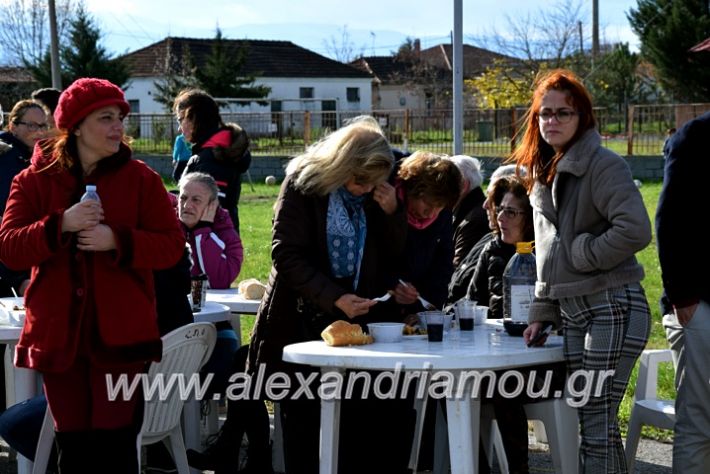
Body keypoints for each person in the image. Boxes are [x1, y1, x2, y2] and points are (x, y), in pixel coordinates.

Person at [0, 77, 185, 473]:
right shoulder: (32, 181)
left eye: (120, 117)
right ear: (77, 125)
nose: (118, 126)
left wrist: (116, 240)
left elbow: (171, 247)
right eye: (106, 118)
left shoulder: (142, 180)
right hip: (59, 340)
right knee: (74, 448)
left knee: (115, 449)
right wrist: (59, 224)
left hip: (121, 340)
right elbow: (10, 247)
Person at [247, 116, 410, 474]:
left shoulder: (376, 194)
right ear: (341, 165)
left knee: (356, 432)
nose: (364, 190)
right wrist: (335, 297)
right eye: (358, 181)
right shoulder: (303, 184)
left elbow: (395, 255)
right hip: (301, 320)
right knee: (304, 429)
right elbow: (285, 254)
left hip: (356, 329)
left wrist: (392, 214)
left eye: (373, 183)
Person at [514, 69, 651, 474]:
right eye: (545, 113)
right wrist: (542, 309)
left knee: (595, 420)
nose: (552, 121)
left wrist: (583, 252)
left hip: (613, 304)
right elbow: (545, 251)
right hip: (573, 309)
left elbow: (635, 229)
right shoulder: (543, 170)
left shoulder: (603, 164)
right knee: (593, 422)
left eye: (564, 113)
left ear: (583, 118)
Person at [656, 111, 710, 473]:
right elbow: (668, 220)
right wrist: (684, 300)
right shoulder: (694, 137)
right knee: (701, 423)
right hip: (700, 306)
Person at [177, 171, 243, 400]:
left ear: (212, 205)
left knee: (227, 357)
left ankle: (205, 411)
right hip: (172, 322)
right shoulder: (166, 226)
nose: (186, 205)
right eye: (183, 198)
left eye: (196, 200)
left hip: (212, 322)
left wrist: (202, 231)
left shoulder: (225, 231)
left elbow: (219, 279)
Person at [392, 150, 461, 314]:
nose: (430, 214)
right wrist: (392, 285)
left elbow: (442, 267)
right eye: (427, 203)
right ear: (412, 187)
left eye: (439, 207)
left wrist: (425, 313)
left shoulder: (442, 215)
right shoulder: (387, 200)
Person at [174, 89, 251, 233]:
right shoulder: (211, 153)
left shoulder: (214, 158)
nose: (179, 128)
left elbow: (210, 210)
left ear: (194, 118)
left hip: (212, 245)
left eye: (180, 120)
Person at [447, 164, 517, 305]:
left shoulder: (476, 223)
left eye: (508, 210)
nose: (485, 205)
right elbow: (468, 296)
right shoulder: (489, 241)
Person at [469, 175, 533, 319]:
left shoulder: (545, 255)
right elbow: (472, 302)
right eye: (500, 209)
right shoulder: (492, 249)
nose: (500, 217)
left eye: (510, 212)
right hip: (495, 337)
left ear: (530, 218)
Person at [448, 154, 488, 268]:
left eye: (447, 181)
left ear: (463, 185)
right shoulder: (467, 211)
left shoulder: (473, 221)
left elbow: (458, 267)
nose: (442, 187)